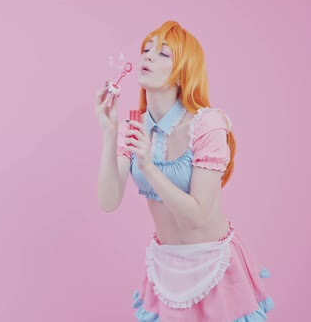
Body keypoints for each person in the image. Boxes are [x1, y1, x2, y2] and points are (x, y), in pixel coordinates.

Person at [95, 20, 274, 321]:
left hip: (213, 265)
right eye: (146, 49)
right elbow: (108, 202)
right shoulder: (133, 127)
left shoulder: (207, 124)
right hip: (166, 268)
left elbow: (199, 215)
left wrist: (149, 169)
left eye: (163, 53)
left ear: (182, 74)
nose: (148, 56)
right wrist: (110, 132)